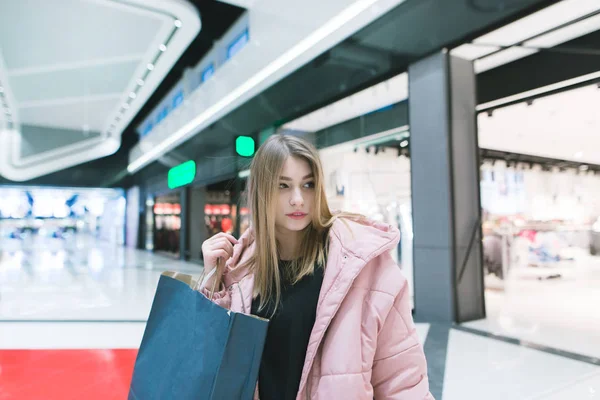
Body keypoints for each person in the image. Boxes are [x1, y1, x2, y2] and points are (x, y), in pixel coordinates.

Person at [200, 135, 433, 400]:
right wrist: (211, 281)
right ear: (262, 192)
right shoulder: (240, 269)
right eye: (283, 186)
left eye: (308, 185)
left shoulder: (365, 265)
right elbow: (208, 365)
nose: (298, 199)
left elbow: (402, 381)